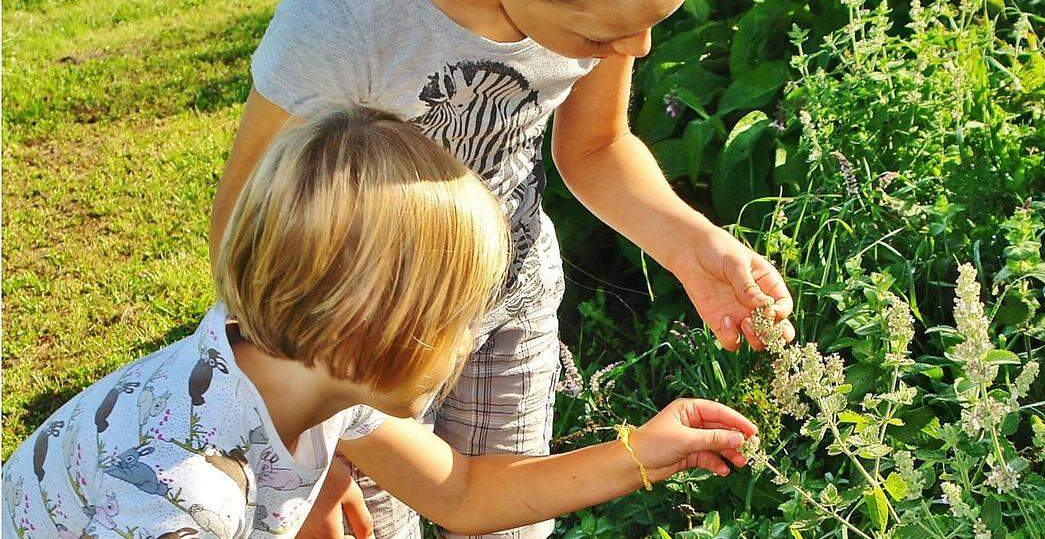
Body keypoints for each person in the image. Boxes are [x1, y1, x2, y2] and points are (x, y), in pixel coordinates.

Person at [210, 0, 797, 535]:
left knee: (508, 521)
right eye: (602, 38)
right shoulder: (348, 14)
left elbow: (596, 149)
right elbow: (241, 235)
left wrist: (693, 247)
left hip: (510, 300)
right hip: (359, 341)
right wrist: (303, 441)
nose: (634, 47)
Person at [3, 106, 758, 538]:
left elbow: (462, 492)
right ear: (373, 330)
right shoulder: (187, 486)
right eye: (460, 318)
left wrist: (640, 453)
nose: (471, 339)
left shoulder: (296, 373)